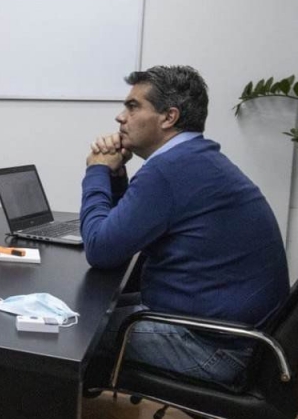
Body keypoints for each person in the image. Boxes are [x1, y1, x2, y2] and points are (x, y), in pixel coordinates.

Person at [81, 65, 289, 391]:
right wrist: (116, 177)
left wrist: (96, 170)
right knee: (91, 308)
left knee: (76, 327)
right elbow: (122, 236)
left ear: (169, 117)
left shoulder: (169, 169)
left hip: (215, 349)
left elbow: (99, 249)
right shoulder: (193, 159)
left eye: (133, 107)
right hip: (240, 339)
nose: (120, 117)